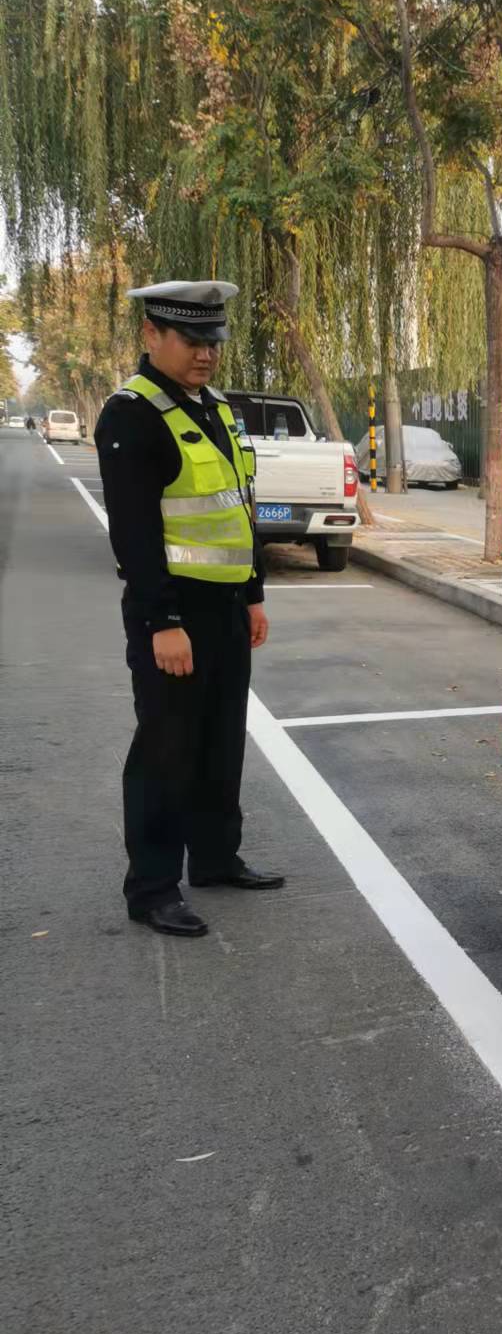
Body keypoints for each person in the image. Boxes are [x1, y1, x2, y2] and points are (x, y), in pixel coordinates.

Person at [95, 279, 283, 939]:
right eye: (191, 340)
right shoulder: (132, 414)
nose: (206, 354)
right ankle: (151, 887)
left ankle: (214, 858)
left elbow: (239, 506)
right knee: (166, 748)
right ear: (151, 335)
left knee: (221, 740)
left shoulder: (215, 407)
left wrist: (253, 593)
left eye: (213, 341)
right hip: (176, 610)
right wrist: (162, 623)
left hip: (226, 606)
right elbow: (135, 535)